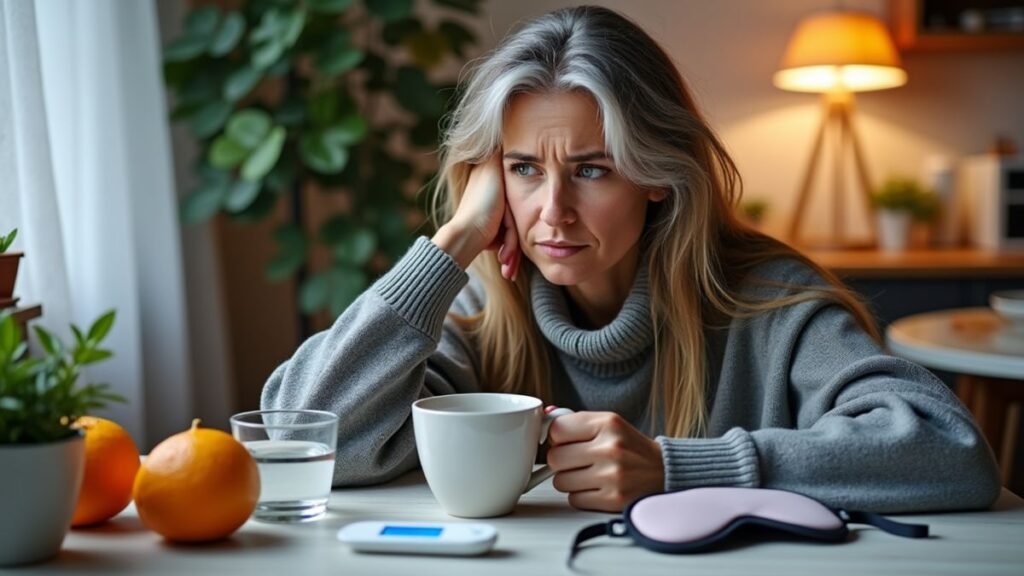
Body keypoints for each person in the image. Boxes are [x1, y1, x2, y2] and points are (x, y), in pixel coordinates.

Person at [262, 5, 1000, 514]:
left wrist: (680, 471)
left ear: (655, 174)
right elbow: (303, 439)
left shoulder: (769, 300)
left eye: (591, 169)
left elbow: (949, 449)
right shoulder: (481, 306)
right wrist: (455, 240)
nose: (552, 212)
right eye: (523, 169)